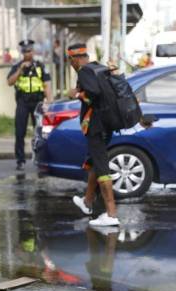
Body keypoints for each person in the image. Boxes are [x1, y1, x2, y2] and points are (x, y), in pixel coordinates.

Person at [66, 43, 120, 227]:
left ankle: (111, 214)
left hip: (96, 127)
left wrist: (77, 94)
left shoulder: (84, 72)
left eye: (70, 60)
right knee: (95, 163)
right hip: (107, 124)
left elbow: (94, 95)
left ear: (75, 58)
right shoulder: (99, 68)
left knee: (102, 169)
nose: (70, 63)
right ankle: (87, 202)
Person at [7, 39, 53, 171]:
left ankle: (42, 158)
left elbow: (47, 85)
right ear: (22, 52)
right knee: (19, 131)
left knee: (40, 132)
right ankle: (20, 160)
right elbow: (10, 82)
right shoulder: (17, 66)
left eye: (29, 51)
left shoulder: (40, 66)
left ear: (33, 51)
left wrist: (48, 103)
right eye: (25, 51)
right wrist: (20, 70)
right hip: (23, 102)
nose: (27, 53)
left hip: (37, 102)